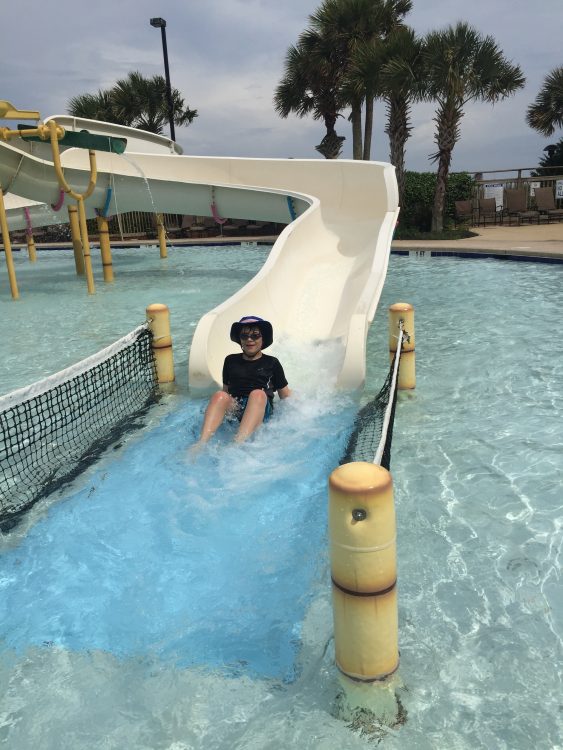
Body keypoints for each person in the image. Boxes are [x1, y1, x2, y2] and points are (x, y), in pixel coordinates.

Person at [193, 315, 290, 447]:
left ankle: (237, 443)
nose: (249, 339)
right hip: (237, 406)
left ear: (263, 339)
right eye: (244, 336)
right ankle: (201, 443)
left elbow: (285, 395)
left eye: (255, 335)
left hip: (260, 407)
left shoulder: (272, 363)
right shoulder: (230, 360)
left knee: (257, 394)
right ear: (240, 340)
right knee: (220, 395)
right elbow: (226, 391)